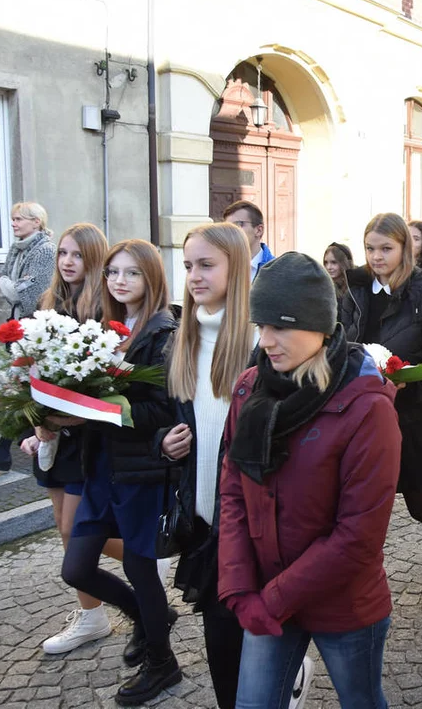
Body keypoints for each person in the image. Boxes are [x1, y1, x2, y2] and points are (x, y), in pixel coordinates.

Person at [218, 252, 401, 709]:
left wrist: (273, 599)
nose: (265, 341)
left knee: (361, 701)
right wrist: (240, 589)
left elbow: (358, 535)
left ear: (319, 327)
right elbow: (233, 492)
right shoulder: (249, 390)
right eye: (260, 326)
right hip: (264, 592)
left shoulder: (366, 409)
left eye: (279, 326)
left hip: (344, 605)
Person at [61, 239, 180, 705]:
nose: (119, 281)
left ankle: (162, 661)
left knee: (139, 566)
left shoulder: (163, 332)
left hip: (141, 471)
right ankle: (150, 618)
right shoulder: (99, 329)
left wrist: (110, 404)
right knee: (77, 567)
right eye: (113, 272)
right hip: (101, 467)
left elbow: (165, 410)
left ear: (150, 278)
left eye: (131, 273)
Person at [340, 213, 422, 593]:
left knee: (420, 502)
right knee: (359, 503)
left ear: (405, 249)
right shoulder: (356, 288)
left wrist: (411, 385)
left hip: (412, 414)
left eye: (386, 248)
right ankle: (357, 576)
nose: (377, 257)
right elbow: (341, 339)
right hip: (361, 414)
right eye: (370, 248)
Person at [155, 223, 255, 708]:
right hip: (203, 522)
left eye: (206, 265)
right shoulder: (180, 344)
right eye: (189, 265)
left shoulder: (262, 341)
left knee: (255, 633)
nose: (194, 275)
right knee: (221, 637)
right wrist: (165, 443)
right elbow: (159, 422)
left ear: (236, 268)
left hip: (254, 521)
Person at [18, 223, 125, 654]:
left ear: (94, 260)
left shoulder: (104, 311)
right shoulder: (49, 306)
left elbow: (107, 386)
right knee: (64, 530)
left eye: (77, 255)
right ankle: (92, 616)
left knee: (74, 527)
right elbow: (30, 376)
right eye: (63, 252)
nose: (67, 261)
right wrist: (35, 422)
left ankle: (149, 557)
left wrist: (68, 418)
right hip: (54, 437)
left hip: (87, 440)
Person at [0, 201, 56, 472]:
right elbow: (1, 280)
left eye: (19, 219)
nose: (13, 223)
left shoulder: (44, 251)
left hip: (32, 327)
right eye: (12, 219)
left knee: (21, 384)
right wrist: (11, 285)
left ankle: (10, 448)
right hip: (15, 323)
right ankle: (7, 449)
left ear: (37, 222)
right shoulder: (16, 249)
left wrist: (11, 286)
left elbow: (31, 295)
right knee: (14, 384)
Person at [223, 200, 274, 281]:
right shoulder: (222, 268)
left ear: (258, 230)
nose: (231, 231)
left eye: (238, 224)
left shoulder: (277, 270)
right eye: (227, 227)